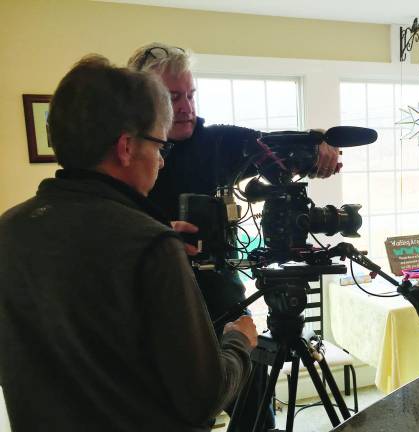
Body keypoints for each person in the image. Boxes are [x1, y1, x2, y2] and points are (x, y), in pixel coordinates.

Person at [0, 55, 257, 432]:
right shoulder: (151, 244)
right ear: (125, 148)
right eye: (158, 146)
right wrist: (238, 343)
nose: (162, 162)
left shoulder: (10, 229)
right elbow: (204, 395)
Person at [127, 43, 341, 431]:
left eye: (191, 94)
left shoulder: (218, 141)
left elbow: (274, 147)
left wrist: (318, 143)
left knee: (254, 411)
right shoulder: (127, 154)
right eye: (174, 97)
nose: (187, 105)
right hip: (157, 302)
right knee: (185, 413)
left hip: (222, 293)